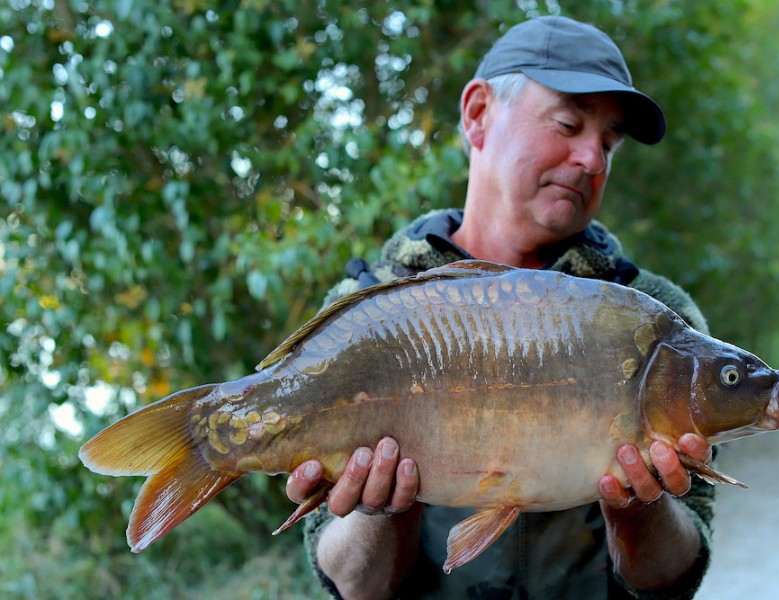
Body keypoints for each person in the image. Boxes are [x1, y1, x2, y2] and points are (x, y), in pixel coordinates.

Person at [287, 15, 715, 599]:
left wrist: (639, 508)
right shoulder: (363, 314)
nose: (592, 159)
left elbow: (671, 579)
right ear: (477, 113)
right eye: (568, 123)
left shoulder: (656, 318)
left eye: (609, 143)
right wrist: (382, 508)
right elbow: (353, 585)